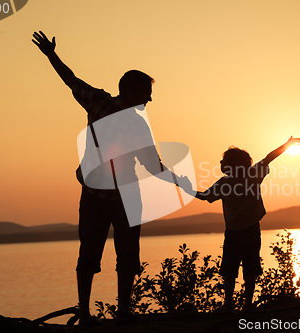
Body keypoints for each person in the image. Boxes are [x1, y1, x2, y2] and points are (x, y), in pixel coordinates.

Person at [32, 31, 191, 326]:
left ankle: (86, 313)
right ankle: (123, 314)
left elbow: (71, 79)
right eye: (146, 93)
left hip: (98, 195)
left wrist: (51, 55)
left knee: (89, 253)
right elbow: (153, 168)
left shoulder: (98, 101)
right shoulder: (136, 125)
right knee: (126, 256)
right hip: (122, 199)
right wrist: (180, 181)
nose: (150, 99)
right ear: (130, 92)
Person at [194, 136, 300, 312]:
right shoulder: (252, 175)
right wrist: (286, 145)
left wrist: (184, 188)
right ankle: (247, 305)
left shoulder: (224, 184)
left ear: (232, 164)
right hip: (252, 231)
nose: (221, 164)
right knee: (250, 269)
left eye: (223, 161)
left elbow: (205, 196)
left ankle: (228, 305)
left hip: (233, 233)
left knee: (230, 269)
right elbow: (269, 158)